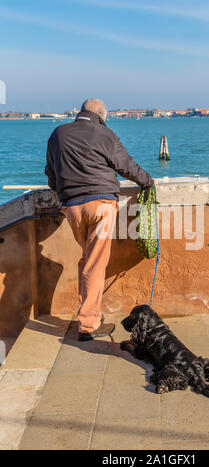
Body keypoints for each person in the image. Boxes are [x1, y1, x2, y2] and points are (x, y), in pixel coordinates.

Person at [45, 99, 154, 341]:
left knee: (88, 261)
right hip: (101, 205)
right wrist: (147, 181)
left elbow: (51, 172)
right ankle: (88, 325)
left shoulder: (58, 133)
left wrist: (60, 191)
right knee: (95, 264)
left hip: (71, 206)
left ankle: (90, 312)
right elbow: (126, 166)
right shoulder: (104, 133)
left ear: (80, 113)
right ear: (102, 116)